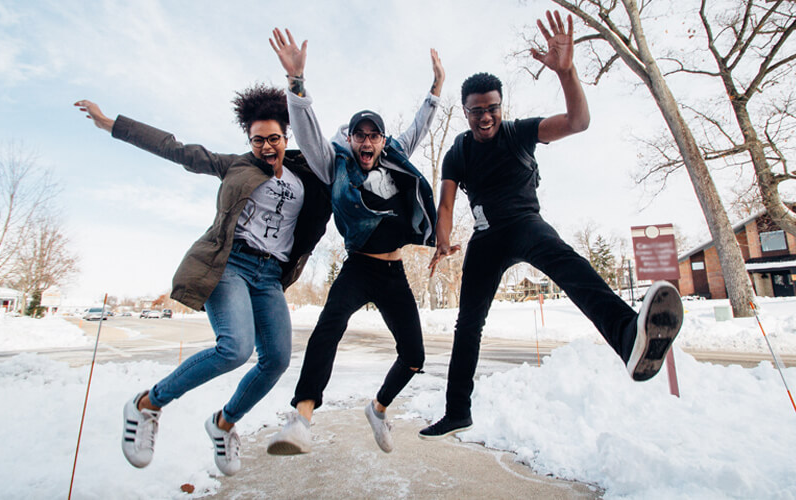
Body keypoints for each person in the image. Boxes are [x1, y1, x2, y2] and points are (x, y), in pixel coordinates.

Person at [419, 10, 684, 439]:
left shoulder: (521, 132)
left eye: (491, 109)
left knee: (569, 266)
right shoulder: (458, 151)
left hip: (525, 224)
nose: (484, 118)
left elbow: (578, 122)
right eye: (475, 112)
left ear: (500, 107)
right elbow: (445, 202)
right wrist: (443, 241)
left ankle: (627, 335)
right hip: (486, 239)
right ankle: (457, 410)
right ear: (464, 111)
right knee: (468, 323)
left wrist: (566, 72)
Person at [74, 85, 331, 475]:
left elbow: (337, 164)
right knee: (235, 348)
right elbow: (175, 149)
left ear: (286, 137)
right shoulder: (235, 165)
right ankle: (147, 404)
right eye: (257, 140)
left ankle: (223, 424)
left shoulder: (305, 175)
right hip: (228, 265)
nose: (266, 147)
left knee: (276, 360)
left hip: (269, 277)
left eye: (273, 138)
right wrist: (113, 125)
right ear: (249, 141)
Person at [265, 28, 443, 454]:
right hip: (359, 266)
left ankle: (378, 408)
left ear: (382, 140)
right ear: (351, 140)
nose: (366, 142)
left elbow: (419, 126)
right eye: (359, 135)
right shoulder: (335, 165)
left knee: (415, 355)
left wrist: (436, 88)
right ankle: (301, 418)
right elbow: (307, 135)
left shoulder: (396, 155)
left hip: (393, 270)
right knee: (327, 329)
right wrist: (297, 85)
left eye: (373, 135)